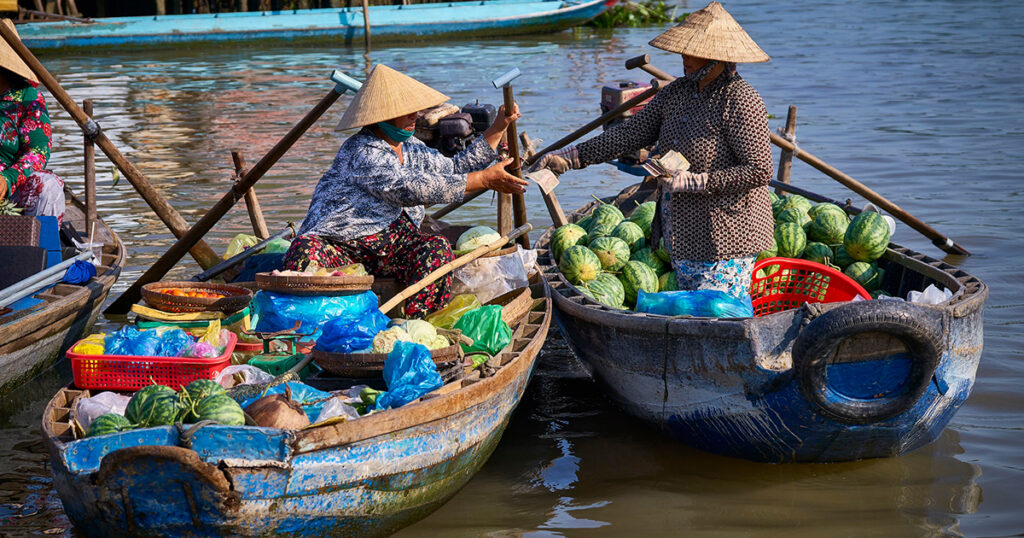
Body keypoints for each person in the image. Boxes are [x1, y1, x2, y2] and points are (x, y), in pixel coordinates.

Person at [535, 1, 773, 300]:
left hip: (727, 234)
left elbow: (760, 170)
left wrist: (695, 182)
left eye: (694, 53)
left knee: (717, 315)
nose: (685, 58)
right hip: (682, 230)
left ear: (716, 58)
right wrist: (571, 157)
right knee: (692, 315)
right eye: (684, 50)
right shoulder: (677, 93)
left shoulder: (741, 100)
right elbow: (629, 134)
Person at [284, 64, 527, 318]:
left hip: (391, 246)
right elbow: (408, 189)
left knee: (436, 249)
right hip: (341, 244)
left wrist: (499, 126)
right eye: (405, 111)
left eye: (415, 110)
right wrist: (484, 180)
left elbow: (455, 168)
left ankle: (410, 324)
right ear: (382, 116)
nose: (415, 115)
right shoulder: (362, 150)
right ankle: (309, 330)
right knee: (303, 251)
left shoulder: (411, 146)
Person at [0, 20, 64, 222]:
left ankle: (41, 250)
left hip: (11, 190)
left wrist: (7, 179)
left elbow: (38, 151)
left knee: (47, 186)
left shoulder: (28, 98)